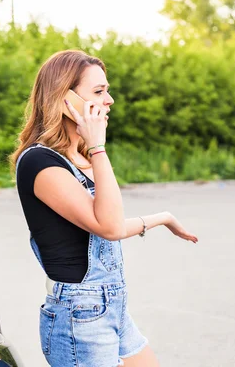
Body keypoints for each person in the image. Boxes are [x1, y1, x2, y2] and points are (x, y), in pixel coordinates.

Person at [11, 50, 198, 367]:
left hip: (113, 305)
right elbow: (109, 227)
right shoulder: (39, 162)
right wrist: (98, 146)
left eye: (106, 90)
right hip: (79, 315)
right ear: (64, 97)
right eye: (98, 91)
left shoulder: (81, 158)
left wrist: (162, 218)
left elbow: (107, 223)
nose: (109, 99)